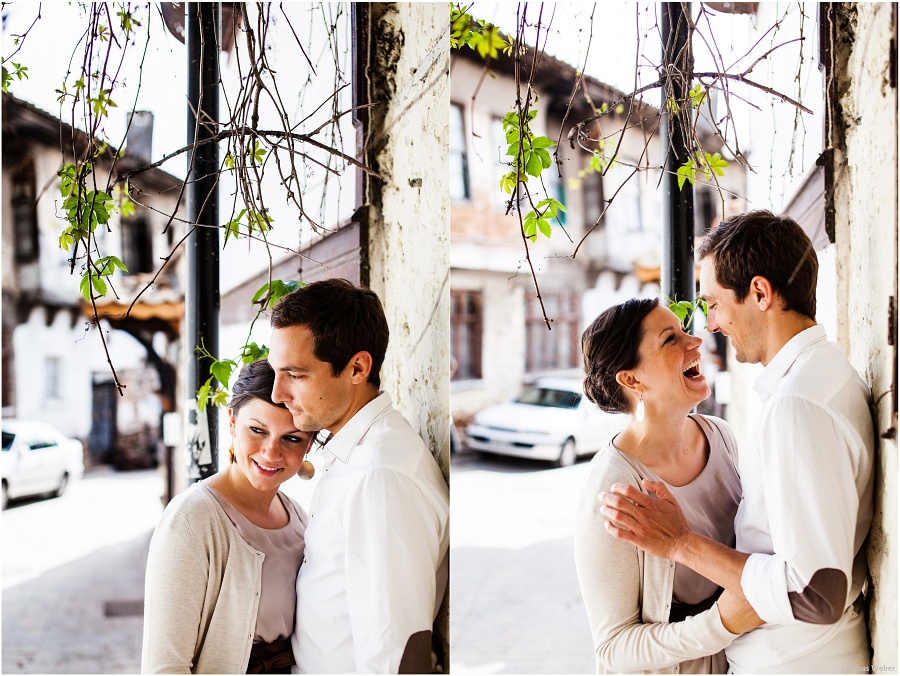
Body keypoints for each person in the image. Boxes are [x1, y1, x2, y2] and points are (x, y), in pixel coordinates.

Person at [601, 211, 875, 673]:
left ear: (760, 294)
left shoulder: (798, 404)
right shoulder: (818, 377)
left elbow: (815, 592)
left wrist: (681, 544)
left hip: (798, 663)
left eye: (713, 304)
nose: (709, 325)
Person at [266, 278, 450, 674]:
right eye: (275, 372)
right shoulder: (353, 454)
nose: (278, 394)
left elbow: (396, 655)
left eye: (295, 374)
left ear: (358, 368)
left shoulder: (379, 477)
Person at [575, 298, 763, 674]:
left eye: (683, 331)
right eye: (670, 340)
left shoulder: (721, 436)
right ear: (632, 379)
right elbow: (613, 648)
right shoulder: (614, 487)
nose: (694, 341)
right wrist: (720, 624)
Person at [142, 359, 316, 674]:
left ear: (309, 443)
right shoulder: (191, 521)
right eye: (257, 430)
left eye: (292, 438)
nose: (271, 453)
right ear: (233, 422)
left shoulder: (300, 519)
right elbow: (165, 667)